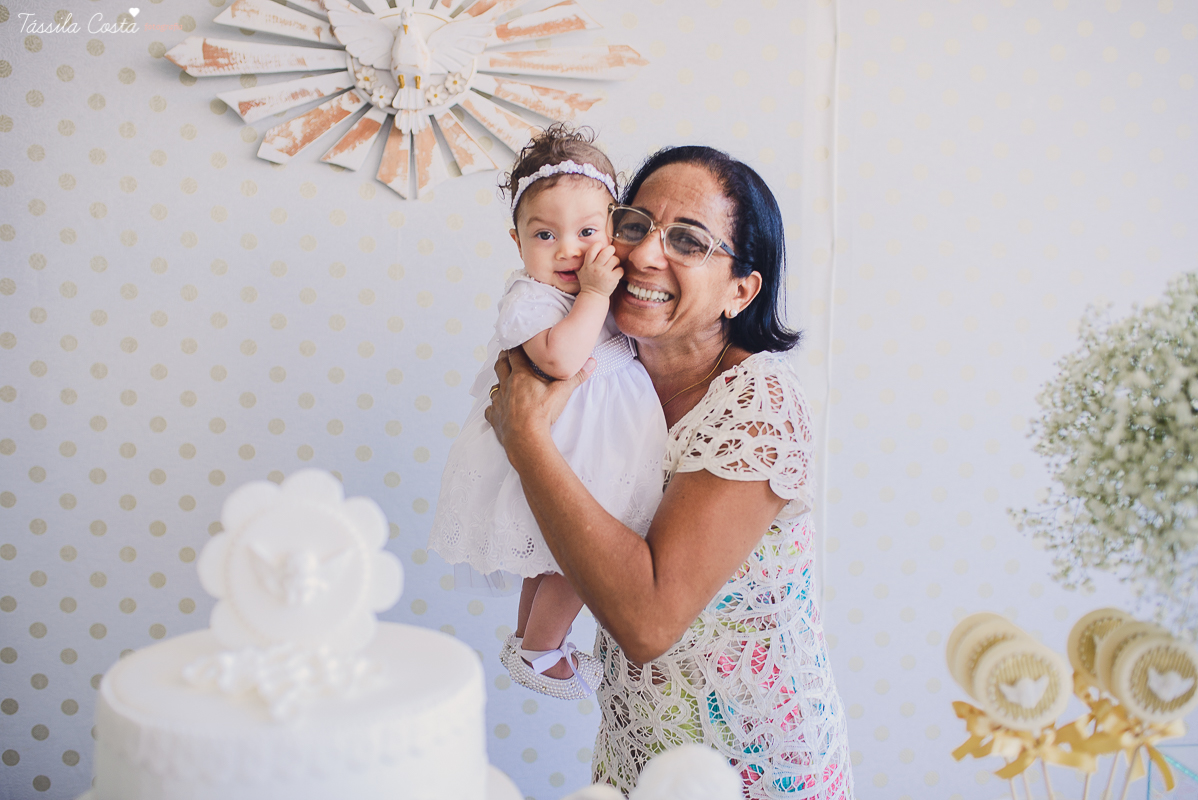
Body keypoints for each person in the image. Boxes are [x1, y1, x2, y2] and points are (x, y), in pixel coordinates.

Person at [483, 145, 854, 798]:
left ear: (742, 289)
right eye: (633, 226)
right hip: (636, 752)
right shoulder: (609, 369)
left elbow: (649, 624)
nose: (646, 256)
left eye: (688, 240)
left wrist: (529, 440)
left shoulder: (757, 402)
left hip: (752, 768)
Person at [427, 126, 666, 700]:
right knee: (578, 553)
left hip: (595, 445)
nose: (569, 250)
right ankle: (543, 645)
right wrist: (592, 296)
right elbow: (560, 359)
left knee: (551, 553)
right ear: (517, 242)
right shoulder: (532, 298)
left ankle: (530, 638)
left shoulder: (601, 292)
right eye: (545, 234)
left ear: (614, 229)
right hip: (573, 453)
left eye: (588, 231)